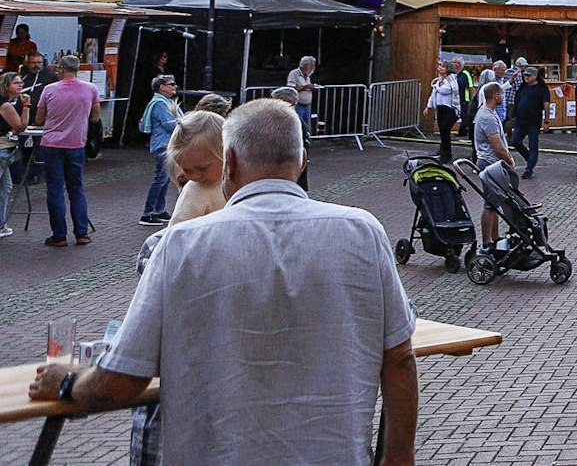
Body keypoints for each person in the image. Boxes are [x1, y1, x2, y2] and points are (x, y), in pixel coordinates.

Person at [29, 99, 419, 466]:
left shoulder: (180, 244)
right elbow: (400, 358)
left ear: (228, 161)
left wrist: (68, 384)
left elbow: (123, 380)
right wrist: (399, 457)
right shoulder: (362, 231)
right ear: (301, 160)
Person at [35, 54, 99, 246]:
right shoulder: (90, 89)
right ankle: (81, 233)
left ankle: (59, 235)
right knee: (77, 189)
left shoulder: (49, 90)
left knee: (55, 189)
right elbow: (95, 117)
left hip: (52, 144)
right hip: (76, 144)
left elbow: (39, 119)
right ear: (78, 69)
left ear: (60, 69)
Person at [470, 83, 516, 251]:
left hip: (491, 162)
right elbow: (497, 146)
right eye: (501, 94)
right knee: (490, 205)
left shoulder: (489, 113)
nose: (502, 97)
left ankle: (495, 238)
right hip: (490, 163)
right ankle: (486, 243)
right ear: (495, 95)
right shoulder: (487, 117)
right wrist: (509, 160)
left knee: (494, 203)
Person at [133, 73, 183, 226]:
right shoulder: (160, 104)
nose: (175, 87)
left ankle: (159, 210)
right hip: (163, 146)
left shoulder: (165, 102)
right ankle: (147, 213)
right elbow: (169, 124)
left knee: (165, 179)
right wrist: (183, 123)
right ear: (162, 87)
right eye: (171, 84)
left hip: (168, 145)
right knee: (160, 179)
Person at [166, 110, 227, 225]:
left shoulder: (242, 180)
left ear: (226, 154)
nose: (194, 176)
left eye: (202, 168)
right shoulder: (194, 191)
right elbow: (177, 231)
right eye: (187, 170)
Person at [509, 66, 551, 179]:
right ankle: (529, 158)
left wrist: (546, 120)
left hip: (534, 121)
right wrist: (514, 115)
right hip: (520, 120)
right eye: (525, 75)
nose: (526, 77)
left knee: (533, 144)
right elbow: (517, 99)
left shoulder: (542, 88)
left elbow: (546, 104)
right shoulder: (523, 87)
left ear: (535, 76)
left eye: (528, 75)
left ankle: (529, 168)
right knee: (515, 141)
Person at [0, 72, 24, 237]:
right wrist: (27, 107)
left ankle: (1, 223)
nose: (20, 86)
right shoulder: (5, 106)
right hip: (2, 149)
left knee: (6, 186)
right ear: (7, 86)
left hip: (5, 150)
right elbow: (21, 126)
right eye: (16, 83)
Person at [426, 62, 460, 164]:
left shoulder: (451, 79)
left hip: (449, 109)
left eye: (442, 67)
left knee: (446, 132)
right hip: (440, 108)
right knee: (442, 132)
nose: (440, 68)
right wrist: (429, 106)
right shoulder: (439, 80)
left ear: (448, 69)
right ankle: (442, 152)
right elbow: (434, 94)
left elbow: (445, 90)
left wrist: (436, 86)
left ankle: (447, 155)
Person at [282, 55, 319, 142]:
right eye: (312, 65)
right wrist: (306, 86)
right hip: (298, 104)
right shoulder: (294, 74)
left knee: (306, 126)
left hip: (307, 105)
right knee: (298, 126)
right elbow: (291, 88)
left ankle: (305, 142)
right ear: (305, 65)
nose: (313, 68)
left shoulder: (308, 75)